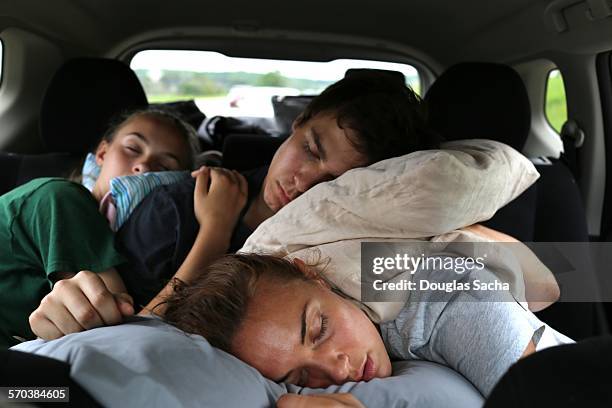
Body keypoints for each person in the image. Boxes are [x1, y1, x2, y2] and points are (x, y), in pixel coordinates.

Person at [28, 72, 443, 339]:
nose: (304, 183)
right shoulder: (172, 209)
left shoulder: (359, 249)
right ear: (298, 122)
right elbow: (123, 335)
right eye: (311, 150)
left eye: (338, 183)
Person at [163, 253, 573, 404]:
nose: (337, 372)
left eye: (319, 329)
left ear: (316, 278)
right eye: (299, 376)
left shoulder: (448, 299)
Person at [0, 107, 200, 348]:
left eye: (165, 167)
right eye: (133, 149)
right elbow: (118, 338)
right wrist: (215, 229)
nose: (144, 166)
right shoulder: (61, 198)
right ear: (102, 153)